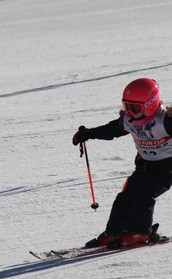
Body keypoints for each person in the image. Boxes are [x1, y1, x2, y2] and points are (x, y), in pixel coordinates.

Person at [72, 78, 172, 247]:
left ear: (150, 104)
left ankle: (140, 232)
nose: (130, 113)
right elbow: (112, 130)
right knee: (125, 198)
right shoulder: (129, 120)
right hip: (144, 166)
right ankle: (114, 232)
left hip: (166, 168)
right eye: (127, 107)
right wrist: (89, 133)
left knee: (144, 194)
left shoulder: (166, 120)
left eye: (134, 108)